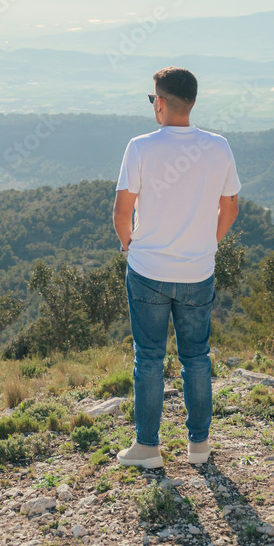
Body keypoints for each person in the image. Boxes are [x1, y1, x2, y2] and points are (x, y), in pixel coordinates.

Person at [113, 66, 241, 468]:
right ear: (193, 102)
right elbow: (230, 208)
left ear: (162, 103)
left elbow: (121, 211)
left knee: (149, 359)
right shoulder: (219, 146)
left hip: (148, 271)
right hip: (197, 272)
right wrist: (208, 244)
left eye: (153, 99)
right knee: (196, 358)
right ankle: (199, 447)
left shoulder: (140, 147)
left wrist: (128, 246)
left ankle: (147, 448)